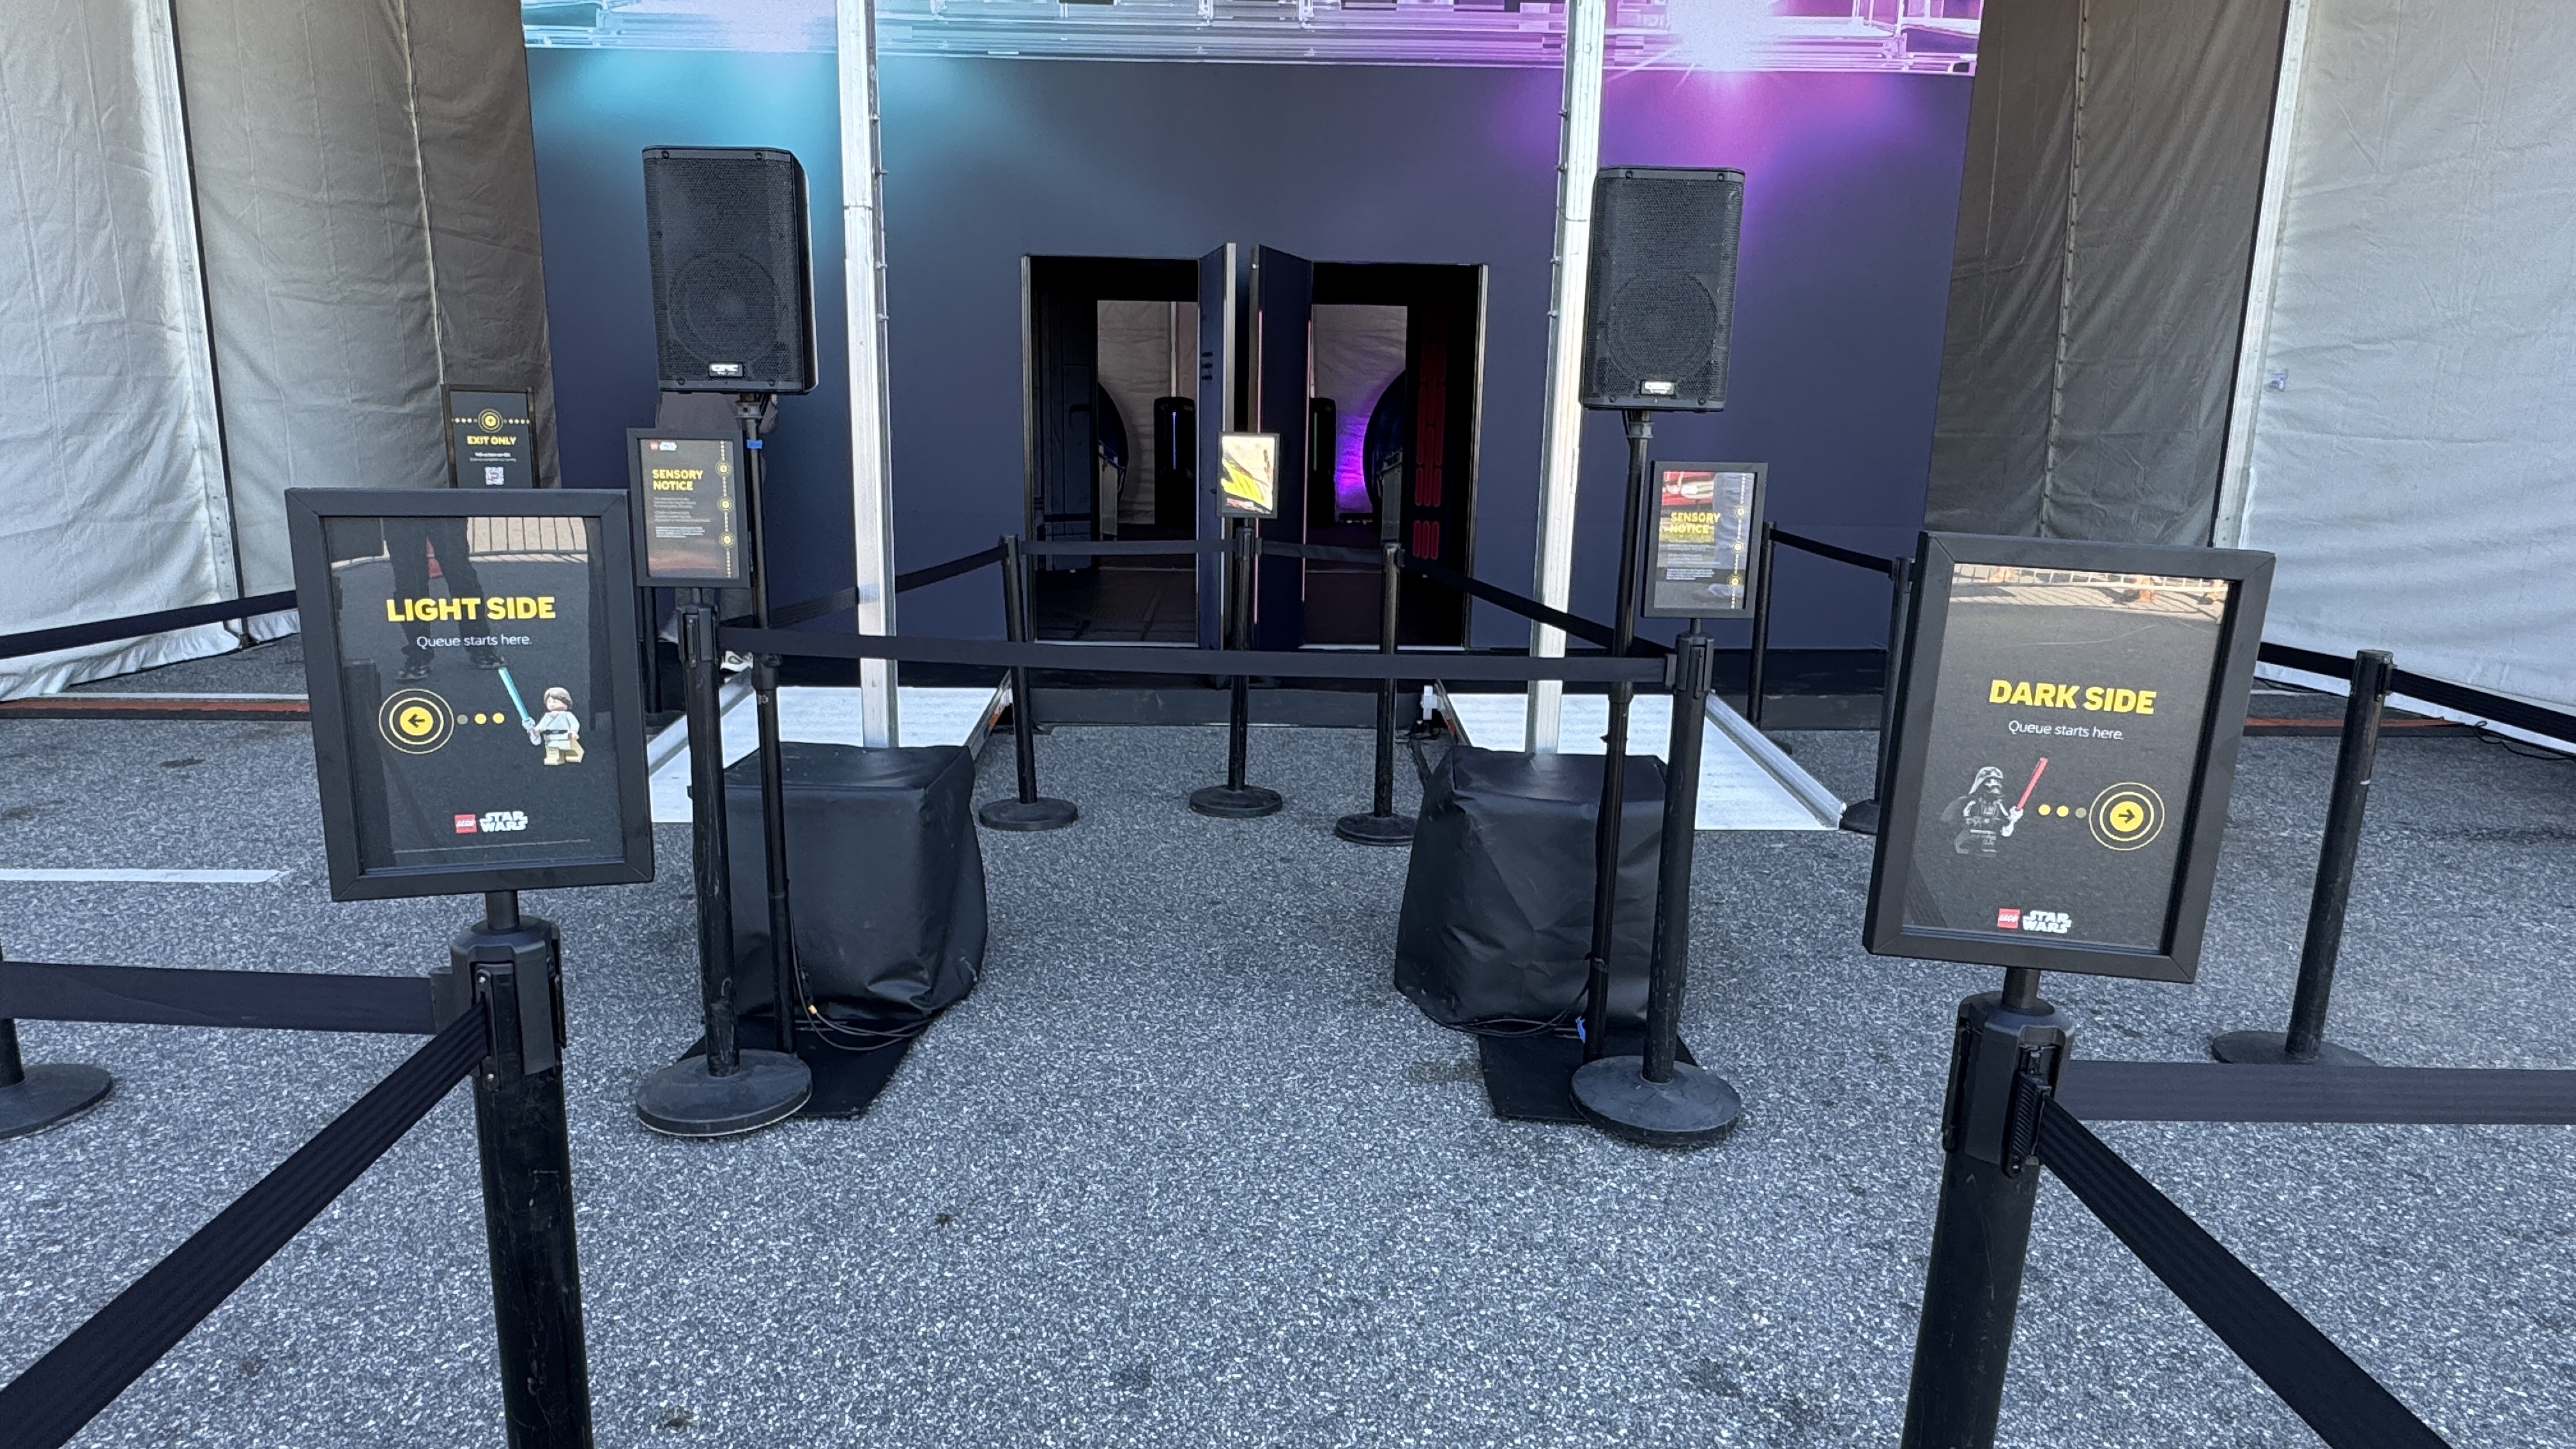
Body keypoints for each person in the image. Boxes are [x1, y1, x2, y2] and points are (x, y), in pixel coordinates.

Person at [1940, 765, 2011, 856]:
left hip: (1989, 840)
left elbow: (2007, 819)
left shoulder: (1998, 805)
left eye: (1997, 783)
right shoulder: (1970, 802)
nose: (1995, 787)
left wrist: (2010, 821)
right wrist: (1968, 820)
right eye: (1990, 782)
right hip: (1969, 838)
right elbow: (1958, 818)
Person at [531, 687, 583, 765]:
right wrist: (537, 730)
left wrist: (573, 731)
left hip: (565, 736)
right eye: (549, 701)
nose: (552, 704)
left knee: (569, 747)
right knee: (552, 749)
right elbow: (542, 725)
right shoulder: (547, 716)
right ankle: (554, 758)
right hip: (551, 737)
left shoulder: (567, 715)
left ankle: (573, 754)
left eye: (555, 701)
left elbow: (574, 724)